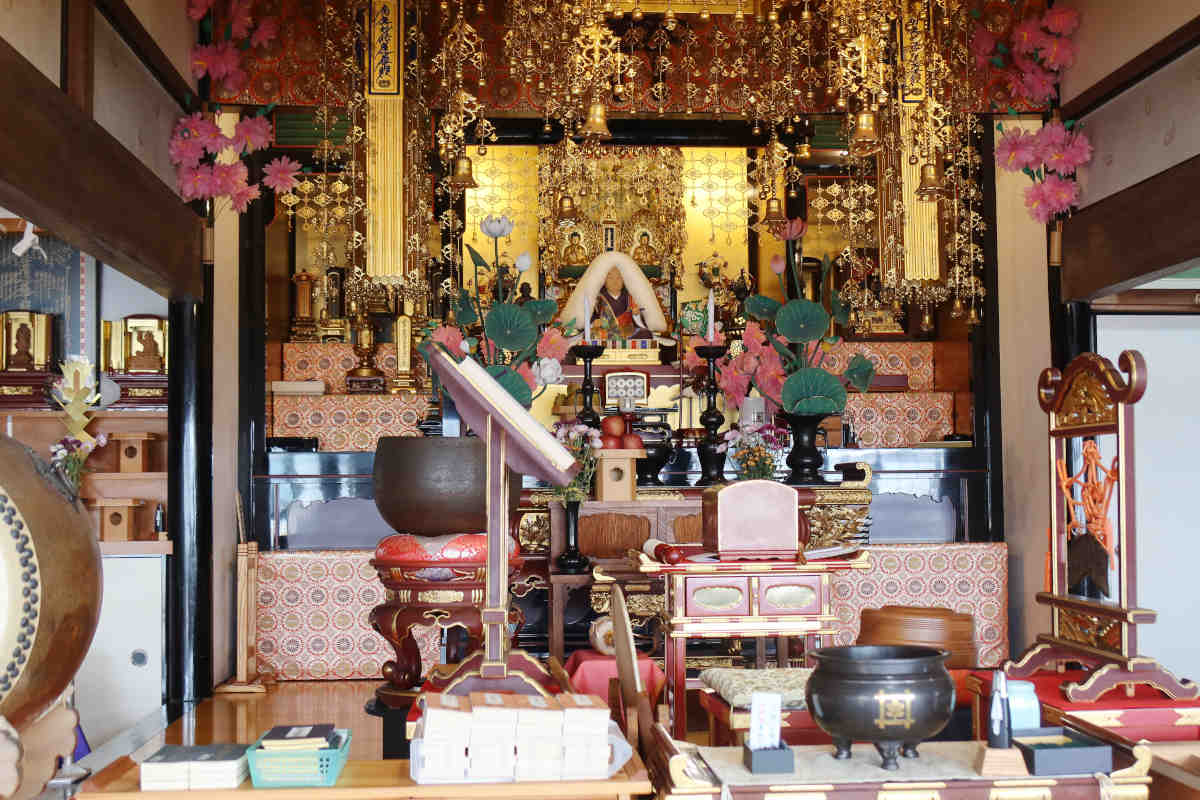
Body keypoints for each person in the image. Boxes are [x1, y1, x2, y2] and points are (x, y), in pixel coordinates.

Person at [593, 267, 653, 340]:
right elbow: (593, 316)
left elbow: (638, 321)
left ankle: (618, 340)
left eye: (619, 278)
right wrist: (595, 322)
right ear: (604, 281)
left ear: (624, 280)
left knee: (646, 333)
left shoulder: (630, 297)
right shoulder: (599, 298)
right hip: (606, 331)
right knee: (591, 335)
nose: (615, 281)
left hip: (627, 331)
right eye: (610, 278)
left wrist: (636, 315)